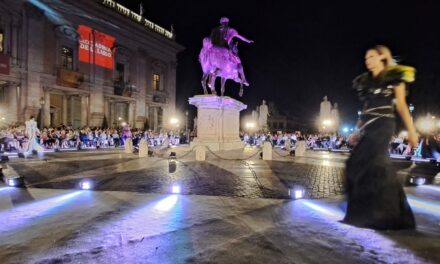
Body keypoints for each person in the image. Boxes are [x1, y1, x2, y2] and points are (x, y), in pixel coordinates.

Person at [343, 45, 418, 230]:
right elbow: (366, 110)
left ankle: (386, 214)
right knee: (354, 164)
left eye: (371, 56)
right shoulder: (366, 82)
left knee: (377, 165)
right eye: (366, 57)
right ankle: (365, 211)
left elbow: (401, 105)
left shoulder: (394, 77)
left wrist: (412, 131)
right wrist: (355, 130)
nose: (367, 60)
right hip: (369, 127)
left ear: (382, 57)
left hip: (384, 125)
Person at [210, 17, 253, 85]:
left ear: (221, 22)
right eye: (226, 23)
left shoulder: (215, 30)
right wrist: (248, 41)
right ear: (227, 23)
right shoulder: (230, 30)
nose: (225, 24)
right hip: (226, 50)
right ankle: (243, 78)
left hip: (216, 48)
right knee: (239, 62)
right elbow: (239, 36)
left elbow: (211, 39)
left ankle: (210, 79)